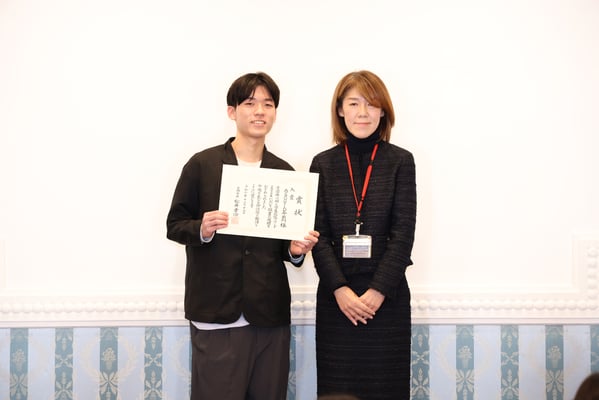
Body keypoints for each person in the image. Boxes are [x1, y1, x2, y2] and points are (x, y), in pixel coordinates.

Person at [166, 71, 319, 400]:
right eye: (250, 103)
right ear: (232, 111)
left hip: (269, 314)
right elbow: (174, 225)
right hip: (217, 312)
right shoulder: (202, 165)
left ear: (275, 113)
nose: (260, 111)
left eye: (268, 104)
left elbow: (285, 247)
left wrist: (294, 250)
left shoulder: (284, 173)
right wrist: (202, 229)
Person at [309, 70, 417, 400]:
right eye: (354, 103)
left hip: (387, 302)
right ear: (340, 110)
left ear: (383, 111)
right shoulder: (323, 164)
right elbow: (317, 236)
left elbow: (403, 234)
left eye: (371, 104)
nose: (362, 113)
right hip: (336, 302)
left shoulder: (401, 161)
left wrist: (378, 291)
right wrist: (340, 290)